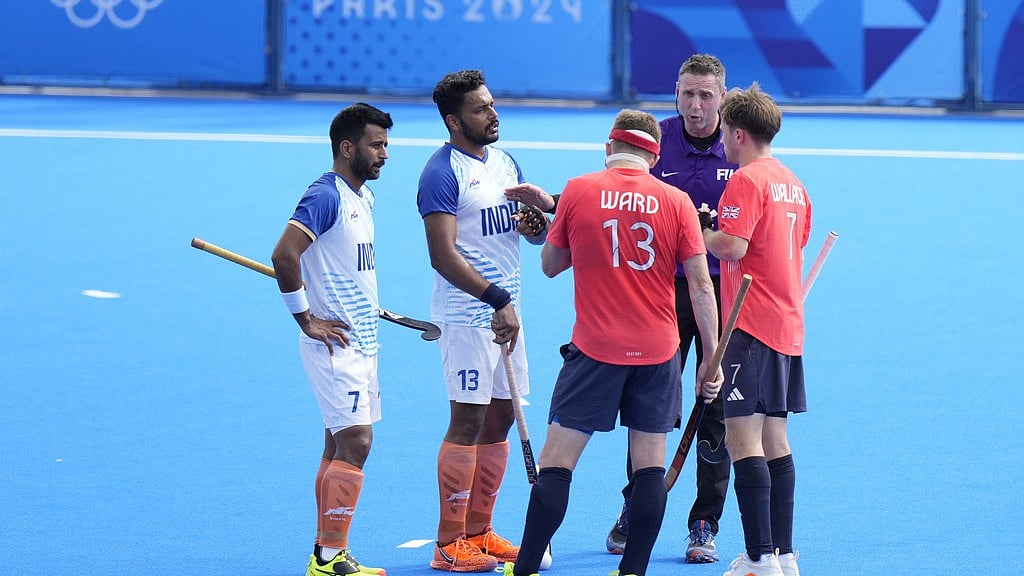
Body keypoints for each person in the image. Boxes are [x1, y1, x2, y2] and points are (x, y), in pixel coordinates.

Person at [503, 53, 737, 563]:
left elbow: (582, 222)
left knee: (713, 412)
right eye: (687, 94)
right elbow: (611, 195)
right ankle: (635, 528)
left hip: (716, 294)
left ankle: (704, 522)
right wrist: (553, 205)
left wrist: (559, 213)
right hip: (663, 307)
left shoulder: (736, 146)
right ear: (675, 93)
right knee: (651, 448)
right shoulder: (663, 145)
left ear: (723, 98)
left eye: (706, 96)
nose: (695, 106)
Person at [416, 69, 549, 573]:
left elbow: (527, 235)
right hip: (469, 317)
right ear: (453, 120)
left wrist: (535, 227)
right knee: (468, 420)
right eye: (479, 109)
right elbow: (442, 255)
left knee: (498, 421)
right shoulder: (441, 173)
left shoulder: (505, 163)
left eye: (492, 105)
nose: (493, 114)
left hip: (506, 317)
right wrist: (496, 299)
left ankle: (480, 530)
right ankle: (449, 543)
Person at [270, 103, 394, 576]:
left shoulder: (362, 198)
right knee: (357, 442)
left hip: (362, 341)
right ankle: (328, 558)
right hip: (334, 345)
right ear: (348, 148)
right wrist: (305, 319)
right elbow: (285, 255)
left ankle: (325, 551)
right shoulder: (326, 196)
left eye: (386, 145)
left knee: (337, 445)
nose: (384, 154)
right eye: (376, 145)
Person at [701, 83, 811, 576]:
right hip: (786, 323)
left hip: (749, 323)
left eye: (725, 130)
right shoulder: (792, 182)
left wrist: (699, 231)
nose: (722, 139)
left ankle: (759, 558)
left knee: (743, 440)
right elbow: (794, 239)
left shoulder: (746, 181)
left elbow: (732, 246)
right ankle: (783, 554)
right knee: (776, 439)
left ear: (739, 133)